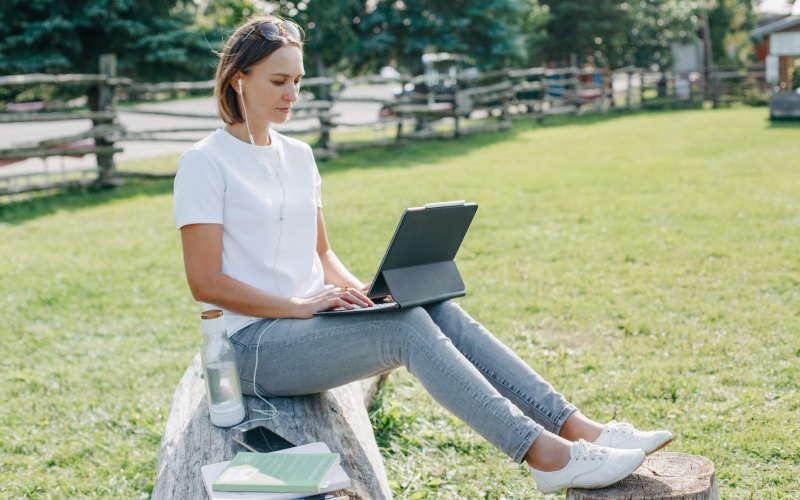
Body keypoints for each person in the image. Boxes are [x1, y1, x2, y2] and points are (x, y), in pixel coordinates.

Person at [173, 15, 673, 494]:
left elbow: (321, 252)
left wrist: (366, 294)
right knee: (406, 329)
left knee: (431, 306)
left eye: (298, 81)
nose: (292, 95)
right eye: (278, 81)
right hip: (254, 347)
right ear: (239, 80)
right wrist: (302, 306)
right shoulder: (205, 163)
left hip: (312, 323)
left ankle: (580, 429)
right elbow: (205, 281)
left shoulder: (299, 156)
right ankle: (547, 457)